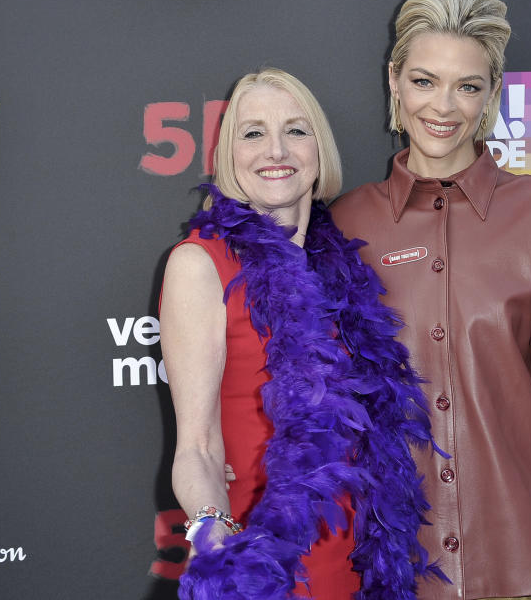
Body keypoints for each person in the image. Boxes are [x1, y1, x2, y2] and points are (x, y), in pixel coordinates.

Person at [331, 0, 531, 600]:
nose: (443, 107)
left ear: (492, 94)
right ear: (393, 81)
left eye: (467, 86)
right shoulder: (343, 225)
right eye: (423, 81)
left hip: (529, 564)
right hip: (400, 574)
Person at [159, 68, 441, 600]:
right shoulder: (201, 265)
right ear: (229, 156)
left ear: (319, 150)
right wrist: (217, 538)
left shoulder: (348, 268)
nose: (275, 150)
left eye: (295, 129)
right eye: (253, 132)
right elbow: (195, 446)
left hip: (363, 566)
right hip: (269, 568)